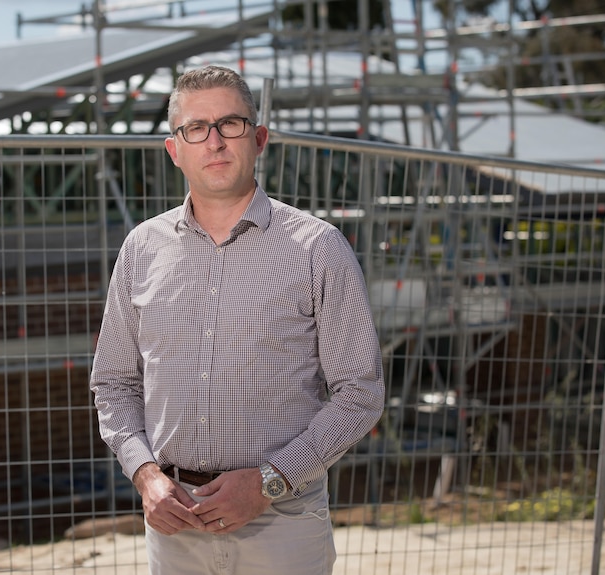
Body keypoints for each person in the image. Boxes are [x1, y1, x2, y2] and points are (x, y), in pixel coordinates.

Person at [90, 64, 385, 575]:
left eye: (231, 124)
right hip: (176, 524)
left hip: (284, 523)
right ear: (174, 149)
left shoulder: (318, 249)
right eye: (196, 129)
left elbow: (361, 394)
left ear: (260, 138)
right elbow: (113, 383)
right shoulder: (141, 249)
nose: (215, 142)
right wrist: (145, 477)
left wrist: (271, 481)